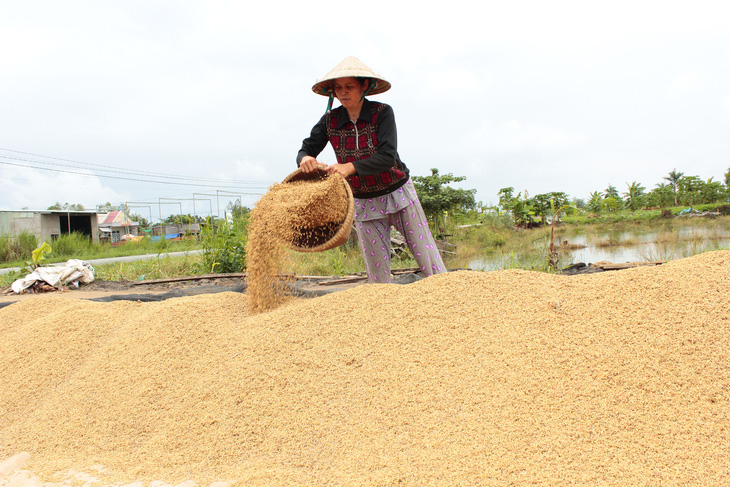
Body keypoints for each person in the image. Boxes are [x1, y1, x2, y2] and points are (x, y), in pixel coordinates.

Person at [297, 56, 446, 283]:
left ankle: (447, 294)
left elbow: (387, 157)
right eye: (338, 88)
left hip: (397, 192)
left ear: (364, 86)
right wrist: (305, 158)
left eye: (349, 86)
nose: (343, 92)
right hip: (364, 202)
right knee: (378, 277)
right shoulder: (330, 120)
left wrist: (350, 167)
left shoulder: (382, 113)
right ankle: (383, 313)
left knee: (428, 259)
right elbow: (307, 147)